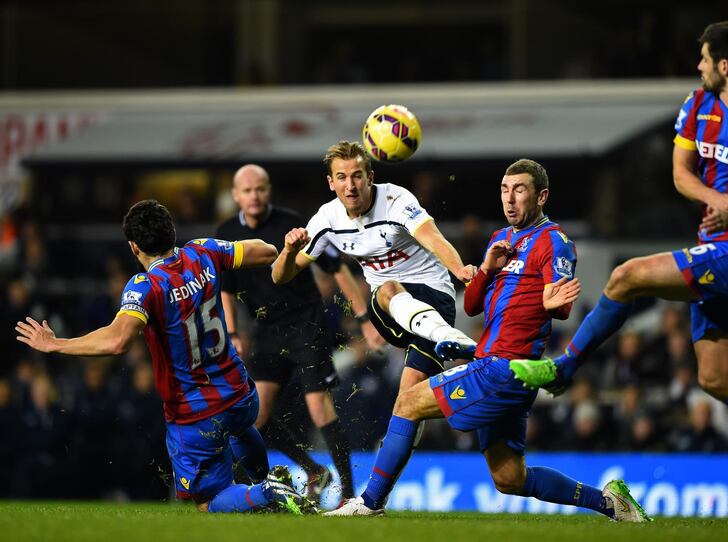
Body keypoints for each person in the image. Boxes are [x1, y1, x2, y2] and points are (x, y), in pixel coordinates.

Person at [511, 20, 728, 449]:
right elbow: (681, 174)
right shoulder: (699, 104)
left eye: (704, 58)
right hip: (717, 245)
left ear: (725, 65)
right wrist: (717, 202)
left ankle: (564, 368)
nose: (698, 65)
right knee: (717, 379)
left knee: (626, 276)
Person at [324, 159, 649, 520]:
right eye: (504, 190)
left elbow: (560, 306)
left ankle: (369, 503)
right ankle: (609, 503)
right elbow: (475, 304)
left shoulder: (554, 242)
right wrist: (488, 269)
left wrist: (551, 302)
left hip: (507, 367)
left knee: (408, 402)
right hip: (496, 366)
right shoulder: (501, 239)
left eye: (520, 190)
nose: (509, 199)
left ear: (541, 196)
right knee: (510, 478)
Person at [15, 200, 306, 513]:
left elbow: (117, 341)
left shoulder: (146, 286)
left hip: (196, 412)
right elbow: (266, 251)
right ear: (172, 232)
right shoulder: (202, 251)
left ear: (134, 246)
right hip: (240, 394)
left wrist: (57, 344)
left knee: (206, 502)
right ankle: (270, 485)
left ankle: (266, 491)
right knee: (238, 427)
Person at [271, 141, 478, 461]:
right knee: (386, 288)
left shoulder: (396, 200)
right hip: (389, 309)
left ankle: (373, 501)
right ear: (331, 182)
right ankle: (452, 342)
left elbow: (433, 238)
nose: (350, 185)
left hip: (435, 298)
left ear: (370, 176)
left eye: (356, 176)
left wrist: (460, 269)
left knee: (407, 404)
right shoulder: (326, 218)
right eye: (341, 177)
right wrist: (287, 250)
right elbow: (279, 276)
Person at [216, 164, 384, 503]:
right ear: (236, 195)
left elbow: (336, 267)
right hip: (266, 328)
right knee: (257, 416)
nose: (254, 195)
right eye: (247, 190)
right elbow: (227, 290)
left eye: (260, 188)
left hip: (306, 323)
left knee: (318, 407)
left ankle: (349, 496)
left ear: (269, 191)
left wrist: (364, 317)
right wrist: (232, 331)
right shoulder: (227, 231)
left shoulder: (292, 223)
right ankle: (312, 470)